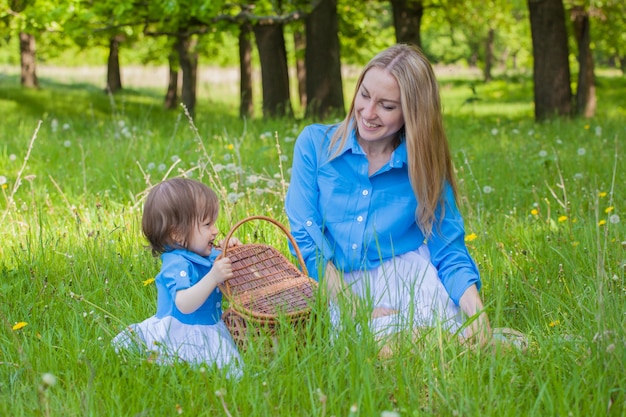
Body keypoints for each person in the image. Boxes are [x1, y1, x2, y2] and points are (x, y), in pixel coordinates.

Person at [285, 43, 491, 347]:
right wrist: (355, 307)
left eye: (387, 106)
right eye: (364, 95)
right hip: (335, 283)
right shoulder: (315, 144)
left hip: (406, 278)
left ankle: (472, 340)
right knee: (381, 349)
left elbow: (448, 248)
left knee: (455, 343)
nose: (368, 113)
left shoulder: (424, 164)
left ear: (413, 112)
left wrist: (479, 316)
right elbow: (305, 237)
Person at [112, 178, 242, 375]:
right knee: (209, 368)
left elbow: (232, 278)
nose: (215, 230)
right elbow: (184, 303)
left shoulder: (205, 255)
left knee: (224, 368)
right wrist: (213, 277)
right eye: (207, 224)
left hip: (210, 327)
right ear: (178, 234)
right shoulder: (176, 263)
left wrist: (231, 250)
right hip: (183, 332)